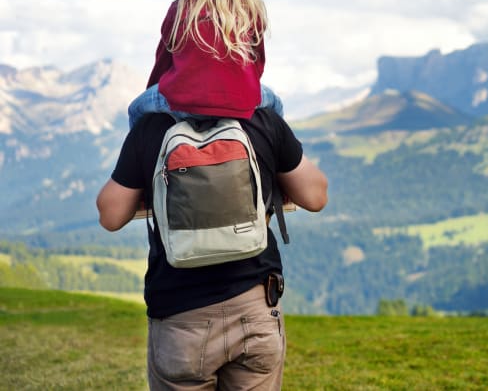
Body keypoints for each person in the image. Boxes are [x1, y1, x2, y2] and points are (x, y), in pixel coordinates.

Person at [96, 107, 328, 389]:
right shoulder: (261, 121)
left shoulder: (150, 128)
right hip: (256, 308)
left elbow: (110, 216)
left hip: (180, 316)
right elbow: (316, 197)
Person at [128, 0, 283, 129]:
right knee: (277, 104)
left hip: (184, 103)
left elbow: (162, 64)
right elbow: (258, 65)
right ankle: (282, 157)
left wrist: (155, 91)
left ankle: (142, 160)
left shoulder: (181, 8)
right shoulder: (251, 9)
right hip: (240, 101)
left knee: (135, 109)